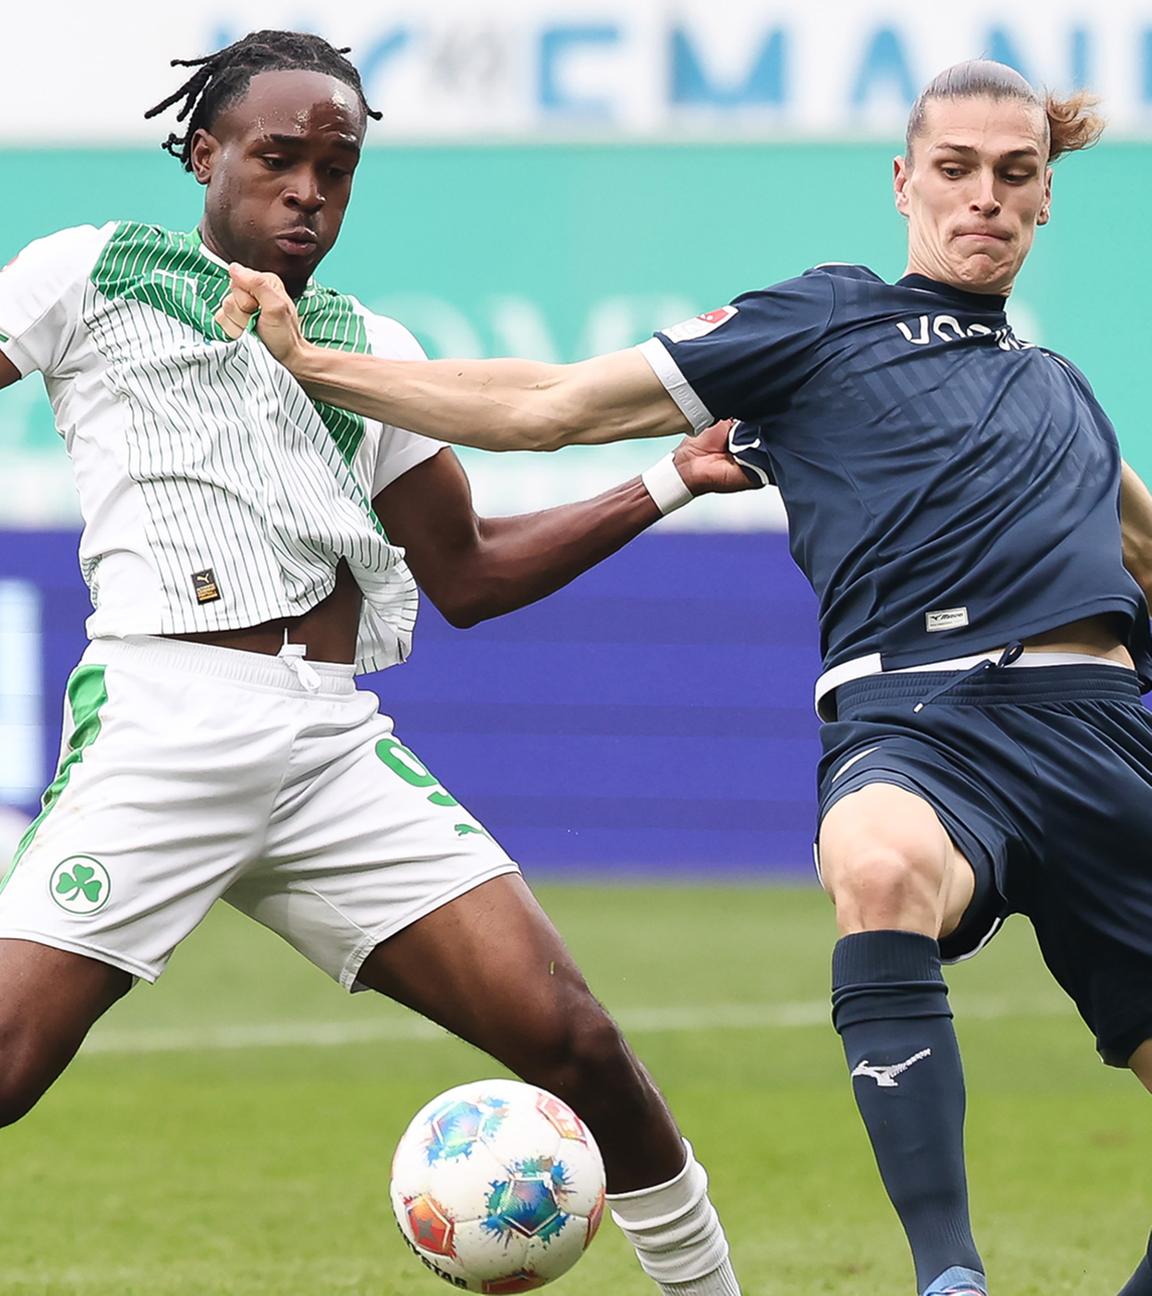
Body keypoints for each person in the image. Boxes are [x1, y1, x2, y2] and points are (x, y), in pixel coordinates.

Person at [219, 58, 1152, 1296]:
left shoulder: (1063, 392)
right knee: (877, 862)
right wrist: (320, 369)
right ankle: (950, 1278)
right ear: (904, 182)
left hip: (1101, 737)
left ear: (1045, 201)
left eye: (1014, 176)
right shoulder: (821, 323)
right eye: (957, 169)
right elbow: (550, 402)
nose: (984, 197)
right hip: (924, 722)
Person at [0, 31, 753, 1296]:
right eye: (278, 157)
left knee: (574, 1040)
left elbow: (471, 575)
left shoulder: (364, 346)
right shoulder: (94, 270)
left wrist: (670, 478)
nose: (308, 190)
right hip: (163, 721)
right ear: (205, 153)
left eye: (336, 170)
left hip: (327, 742)